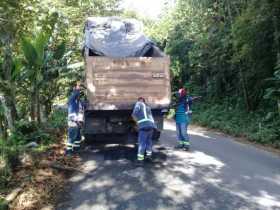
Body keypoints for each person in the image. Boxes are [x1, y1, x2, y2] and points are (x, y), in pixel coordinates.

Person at [132, 97, 156, 166]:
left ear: (140, 100)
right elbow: (151, 116)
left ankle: (140, 161)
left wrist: (137, 124)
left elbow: (133, 114)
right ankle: (149, 157)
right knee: (149, 142)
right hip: (151, 126)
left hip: (143, 126)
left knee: (142, 143)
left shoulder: (138, 104)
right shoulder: (148, 107)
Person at [65, 82, 84, 155]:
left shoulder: (78, 102)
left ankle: (76, 150)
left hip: (78, 123)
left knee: (78, 138)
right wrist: (77, 88)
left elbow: (82, 109)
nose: (79, 94)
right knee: (72, 138)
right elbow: (75, 94)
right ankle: (69, 152)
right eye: (78, 92)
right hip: (73, 122)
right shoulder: (72, 100)